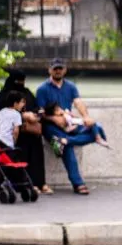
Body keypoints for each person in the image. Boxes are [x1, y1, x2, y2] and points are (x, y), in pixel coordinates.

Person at [36, 59, 109, 195]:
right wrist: (55, 119)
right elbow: (40, 113)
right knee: (67, 148)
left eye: (60, 68)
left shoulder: (71, 86)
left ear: (65, 70)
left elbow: (78, 102)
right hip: (51, 127)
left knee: (96, 127)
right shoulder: (42, 89)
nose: (58, 71)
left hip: (69, 123)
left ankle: (67, 140)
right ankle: (78, 183)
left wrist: (86, 117)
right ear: (49, 70)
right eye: (55, 68)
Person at [0, 70, 50, 195]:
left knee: (36, 143)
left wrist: (35, 115)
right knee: (21, 146)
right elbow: (1, 116)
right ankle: (25, 183)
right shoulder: (3, 96)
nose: (21, 84)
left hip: (29, 129)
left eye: (22, 81)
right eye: (18, 81)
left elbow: (35, 106)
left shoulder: (27, 93)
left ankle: (39, 182)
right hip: (13, 133)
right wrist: (23, 115)